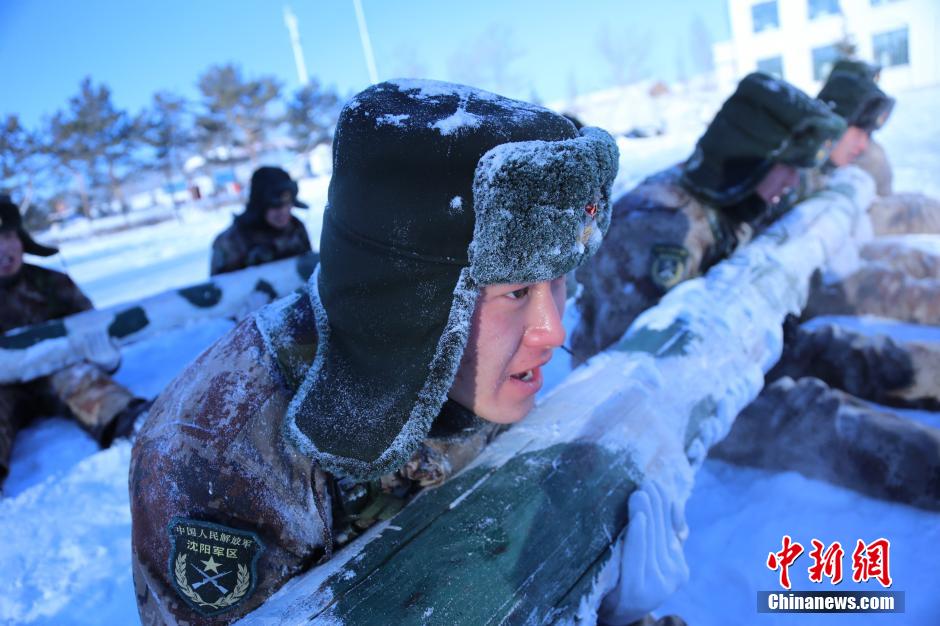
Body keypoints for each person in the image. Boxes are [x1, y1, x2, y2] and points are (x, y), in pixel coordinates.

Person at [131, 80, 676, 625]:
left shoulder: (480, 360)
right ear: (412, 296)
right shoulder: (216, 454)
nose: (553, 331)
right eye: (514, 291)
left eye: (560, 280)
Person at [570, 72, 846, 365]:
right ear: (754, 159)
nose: (793, 181)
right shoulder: (657, 228)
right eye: (788, 166)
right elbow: (636, 367)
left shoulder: (734, 198)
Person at [0, 195, 147, 489]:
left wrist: (106, 356)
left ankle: (145, 431)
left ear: (21, 239)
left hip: (58, 374)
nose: (3, 248)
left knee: (81, 378)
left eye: (7, 235)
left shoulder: (54, 284)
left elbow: (96, 332)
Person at [209, 166, 312, 276]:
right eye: (276, 206)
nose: (284, 211)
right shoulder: (229, 242)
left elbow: (309, 271)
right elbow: (220, 288)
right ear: (259, 207)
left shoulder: (295, 228)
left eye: (288, 204)